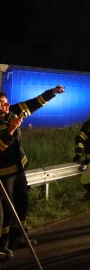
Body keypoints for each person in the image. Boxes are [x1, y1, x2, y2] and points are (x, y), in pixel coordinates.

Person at [0, 85, 65, 260]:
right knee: (7, 209)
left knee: (23, 202)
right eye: (1, 103)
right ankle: (2, 245)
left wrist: (51, 93)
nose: (6, 106)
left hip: (19, 170)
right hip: (4, 174)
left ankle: (18, 237)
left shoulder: (13, 113)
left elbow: (33, 104)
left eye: (6, 102)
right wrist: (10, 131)